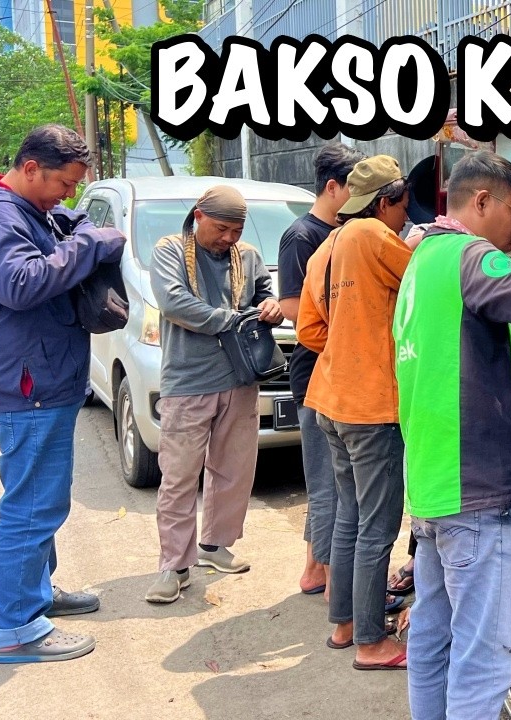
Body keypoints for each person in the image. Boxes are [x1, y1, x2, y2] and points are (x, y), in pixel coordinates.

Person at [394, 151, 511, 716]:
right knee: (484, 656)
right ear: (480, 201)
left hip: (432, 482)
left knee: (433, 636)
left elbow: (456, 353)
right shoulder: (471, 256)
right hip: (475, 488)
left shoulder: (423, 256)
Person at [0, 124, 126, 663]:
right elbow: (21, 283)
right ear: (30, 168)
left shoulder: (25, 211)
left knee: (38, 499)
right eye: (64, 183)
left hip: (36, 376)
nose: (69, 194)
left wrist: (71, 225)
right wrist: (87, 241)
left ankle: (36, 595)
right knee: (31, 507)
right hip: (26, 384)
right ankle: (17, 629)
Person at [297, 154, 412, 668]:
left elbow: (309, 330)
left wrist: (349, 338)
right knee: (379, 526)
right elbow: (424, 283)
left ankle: (343, 625)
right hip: (369, 406)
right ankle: (371, 642)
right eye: (402, 208)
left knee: (350, 516)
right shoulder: (374, 238)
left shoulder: (328, 246)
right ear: (383, 202)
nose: (405, 219)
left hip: (331, 398)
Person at [144, 185, 283, 604]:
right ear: (199, 216)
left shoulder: (249, 256)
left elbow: (264, 295)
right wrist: (233, 320)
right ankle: (174, 565)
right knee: (179, 477)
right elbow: (174, 303)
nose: (228, 238)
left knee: (233, 471)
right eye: (221, 228)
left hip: (240, 380)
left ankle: (214, 546)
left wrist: (272, 305)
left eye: (236, 230)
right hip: (188, 383)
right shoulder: (169, 251)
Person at [278, 142, 365, 596]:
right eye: (355, 189)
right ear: (333, 188)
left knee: (330, 477)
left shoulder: (346, 233)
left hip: (336, 373)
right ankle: (334, 579)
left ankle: (315, 569)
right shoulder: (303, 236)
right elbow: (295, 308)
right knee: (330, 480)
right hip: (316, 374)